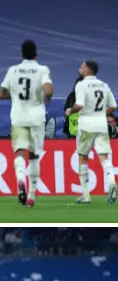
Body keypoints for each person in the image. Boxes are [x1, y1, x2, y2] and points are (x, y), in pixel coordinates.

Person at [0, 40, 53, 208]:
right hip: (36, 118)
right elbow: (48, 90)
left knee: (20, 153)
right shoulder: (42, 69)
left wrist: (14, 97)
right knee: (34, 157)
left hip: (19, 117)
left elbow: (1, 94)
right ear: (36, 54)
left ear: (21, 54)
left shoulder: (13, 70)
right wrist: (45, 99)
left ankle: (21, 180)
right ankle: (31, 196)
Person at [65, 60, 117, 204]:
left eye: (81, 67)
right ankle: (112, 184)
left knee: (83, 157)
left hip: (86, 126)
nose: (79, 70)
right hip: (101, 125)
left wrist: (70, 110)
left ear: (87, 71)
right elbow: (113, 106)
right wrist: (102, 114)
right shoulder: (104, 85)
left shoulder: (81, 85)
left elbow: (79, 104)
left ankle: (86, 195)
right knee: (104, 158)